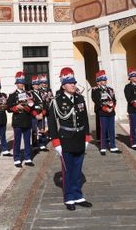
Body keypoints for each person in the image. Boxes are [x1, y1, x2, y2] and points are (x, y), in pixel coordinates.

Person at [48, 67, 92, 211]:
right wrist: (56, 142)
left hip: (79, 138)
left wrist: (87, 137)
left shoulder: (79, 98)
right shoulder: (57, 101)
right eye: (70, 82)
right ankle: (69, 197)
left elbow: (85, 119)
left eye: (74, 82)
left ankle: (78, 195)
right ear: (63, 85)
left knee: (78, 169)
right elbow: (53, 123)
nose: (73, 85)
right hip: (66, 139)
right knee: (67, 170)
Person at [7, 71, 34, 168]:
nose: (21, 84)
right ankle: (17, 158)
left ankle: (27, 158)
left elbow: (32, 107)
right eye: (19, 83)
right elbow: (8, 108)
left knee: (27, 141)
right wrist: (16, 107)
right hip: (17, 121)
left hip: (27, 120)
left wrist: (30, 104)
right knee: (17, 141)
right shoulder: (12, 95)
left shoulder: (28, 94)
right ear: (16, 84)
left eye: (22, 83)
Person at [91, 70, 120, 155]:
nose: (105, 81)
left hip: (111, 112)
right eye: (103, 80)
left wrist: (112, 107)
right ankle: (103, 147)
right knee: (103, 130)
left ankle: (113, 146)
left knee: (112, 130)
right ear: (99, 81)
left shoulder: (110, 89)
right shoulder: (96, 90)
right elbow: (97, 101)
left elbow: (114, 99)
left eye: (105, 80)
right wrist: (105, 108)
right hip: (103, 112)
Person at [29, 75, 48, 151]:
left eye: (37, 84)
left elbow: (45, 105)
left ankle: (42, 144)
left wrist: (42, 114)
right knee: (34, 131)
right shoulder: (30, 93)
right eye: (35, 84)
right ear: (33, 85)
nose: (37, 85)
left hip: (41, 113)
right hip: (34, 114)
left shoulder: (42, 93)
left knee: (42, 129)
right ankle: (34, 145)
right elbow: (30, 107)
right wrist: (36, 115)